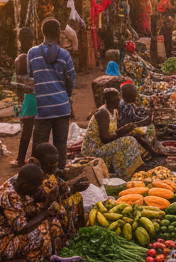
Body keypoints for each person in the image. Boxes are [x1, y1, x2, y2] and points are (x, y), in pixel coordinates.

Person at [0, 164, 67, 262]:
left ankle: (54, 259)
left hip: (9, 234)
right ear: (26, 185)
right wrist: (45, 212)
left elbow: (28, 213)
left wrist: (42, 202)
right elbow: (22, 229)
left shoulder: (20, 186)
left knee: (53, 223)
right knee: (36, 237)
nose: (38, 190)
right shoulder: (8, 196)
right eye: (36, 187)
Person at [28, 18, 76, 174]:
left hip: (42, 108)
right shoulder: (65, 55)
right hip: (62, 107)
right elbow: (71, 79)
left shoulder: (32, 53)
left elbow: (31, 77)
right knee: (60, 143)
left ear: (42, 32)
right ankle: (60, 174)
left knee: (39, 144)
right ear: (58, 32)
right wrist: (66, 96)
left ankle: (36, 174)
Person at [27, 142, 87, 242]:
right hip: (39, 216)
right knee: (66, 206)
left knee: (77, 197)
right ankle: (65, 239)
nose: (54, 168)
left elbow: (60, 182)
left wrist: (77, 179)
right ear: (39, 162)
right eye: (51, 165)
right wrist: (72, 190)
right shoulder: (35, 180)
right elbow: (50, 205)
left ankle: (77, 232)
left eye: (56, 163)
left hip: (51, 205)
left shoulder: (47, 171)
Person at [80, 87, 145, 178]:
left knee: (133, 138)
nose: (118, 102)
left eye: (119, 99)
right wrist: (122, 131)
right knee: (129, 141)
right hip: (94, 150)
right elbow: (105, 138)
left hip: (104, 146)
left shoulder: (114, 111)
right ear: (107, 101)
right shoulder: (103, 113)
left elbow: (113, 132)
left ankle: (123, 168)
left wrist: (126, 130)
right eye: (115, 100)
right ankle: (124, 172)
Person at [11, 27, 37, 168]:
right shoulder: (37, 54)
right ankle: (32, 157)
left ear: (20, 39)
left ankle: (21, 159)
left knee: (27, 128)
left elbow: (20, 84)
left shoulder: (22, 58)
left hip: (29, 96)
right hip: (38, 94)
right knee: (36, 128)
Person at [117, 80, 164, 158]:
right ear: (130, 96)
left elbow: (134, 114)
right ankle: (150, 152)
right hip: (125, 129)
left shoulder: (122, 102)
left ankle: (152, 151)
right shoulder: (128, 106)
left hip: (123, 127)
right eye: (135, 95)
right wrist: (148, 118)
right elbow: (135, 120)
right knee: (149, 129)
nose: (136, 96)